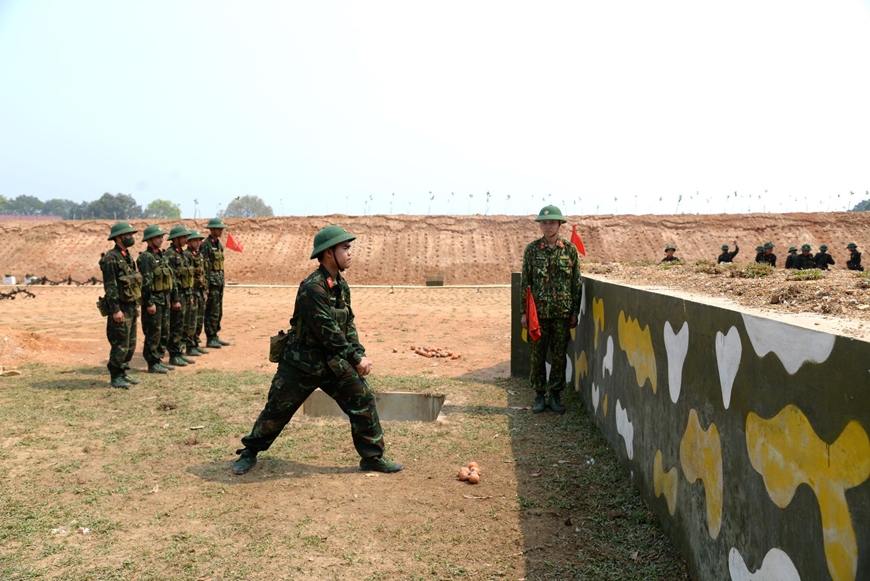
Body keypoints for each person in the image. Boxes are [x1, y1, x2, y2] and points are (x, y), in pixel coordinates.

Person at [232, 225, 402, 475]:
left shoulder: (340, 285)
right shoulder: (313, 287)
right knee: (276, 411)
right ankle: (250, 452)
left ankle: (372, 458)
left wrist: (359, 351)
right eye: (345, 248)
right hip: (301, 364)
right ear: (329, 253)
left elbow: (347, 323)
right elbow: (328, 331)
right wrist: (355, 358)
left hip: (332, 364)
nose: (350, 252)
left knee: (362, 398)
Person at [520, 205, 582, 415]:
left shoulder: (570, 251)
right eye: (544, 222)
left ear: (559, 224)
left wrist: (575, 312)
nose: (547, 226)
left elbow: (576, 283)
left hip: (562, 315)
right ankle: (539, 395)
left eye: (552, 222)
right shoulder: (532, 250)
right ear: (540, 225)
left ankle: (554, 395)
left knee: (558, 357)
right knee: (537, 356)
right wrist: (524, 313)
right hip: (538, 315)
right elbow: (525, 283)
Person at [100, 222, 142, 389]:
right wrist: (115, 310)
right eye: (128, 235)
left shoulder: (127, 256)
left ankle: (123, 371)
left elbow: (133, 283)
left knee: (130, 343)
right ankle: (116, 375)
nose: (131, 237)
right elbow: (110, 287)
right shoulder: (111, 258)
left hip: (130, 306)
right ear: (118, 237)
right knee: (120, 343)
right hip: (120, 308)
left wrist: (136, 304)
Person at [137, 225, 174, 374]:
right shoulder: (145, 258)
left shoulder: (161, 256)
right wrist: (149, 302)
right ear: (149, 239)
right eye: (158, 237)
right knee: (153, 332)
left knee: (164, 331)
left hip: (164, 300)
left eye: (161, 237)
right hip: (154, 302)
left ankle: (158, 359)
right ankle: (152, 363)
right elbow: (145, 284)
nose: (161, 239)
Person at [166, 225, 195, 367]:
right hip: (177, 296)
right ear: (176, 238)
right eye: (183, 237)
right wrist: (175, 299)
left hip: (186, 293)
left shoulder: (182, 254)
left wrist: (189, 294)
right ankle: (174, 354)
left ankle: (180, 352)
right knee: (176, 326)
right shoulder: (170, 255)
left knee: (184, 325)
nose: (186, 239)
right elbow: (172, 280)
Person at [200, 218, 231, 349]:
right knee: (211, 310)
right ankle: (210, 336)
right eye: (219, 229)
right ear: (212, 229)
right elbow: (204, 267)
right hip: (211, 283)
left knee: (218, 310)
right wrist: (206, 285)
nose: (221, 231)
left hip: (218, 282)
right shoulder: (205, 245)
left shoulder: (218, 244)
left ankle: (215, 335)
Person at [185, 230, 209, 356]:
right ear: (188, 242)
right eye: (195, 240)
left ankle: (196, 342)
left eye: (199, 240)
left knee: (199, 319)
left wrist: (205, 289)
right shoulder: (187, 256)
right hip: (193, 291)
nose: (198, 242)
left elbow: (203, 273)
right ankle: (190, 345)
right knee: (191, 321)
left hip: (200, 291)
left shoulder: (199, 255)